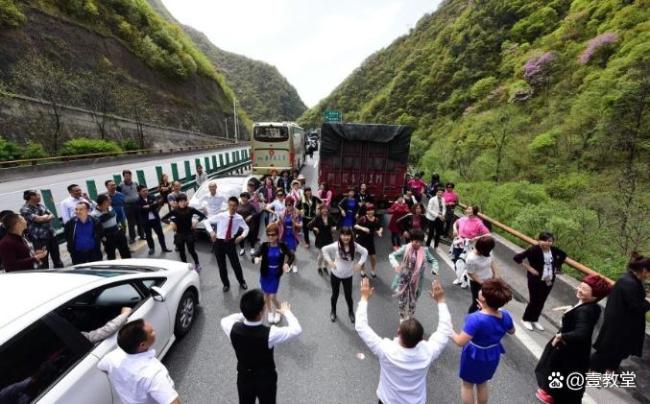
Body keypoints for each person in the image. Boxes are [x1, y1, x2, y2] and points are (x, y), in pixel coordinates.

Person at [355, 278, 452, 404]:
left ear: (398, 332)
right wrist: (441, 301)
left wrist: (364, 298)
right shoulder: (428, 352)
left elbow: (361, 326)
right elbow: (445, 329)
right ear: (421, 339)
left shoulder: (386, 350)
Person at [535, 275, 611, 404]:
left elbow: (582, 332)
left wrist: (561, 336)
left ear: (595, 295)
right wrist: (571, 310)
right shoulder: (592, 306)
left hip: (568, 348)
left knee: (556, 370)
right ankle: (552, 393)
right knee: (565, 375)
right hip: (577, 350)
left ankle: (551, 395)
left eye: (584, 289)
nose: (579, 289)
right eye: (580, 286)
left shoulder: (585, 311)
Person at [221, 290, 302, 404]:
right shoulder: (270, 334)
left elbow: (224, 320)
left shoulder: (232, 328)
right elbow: (297, 330)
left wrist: (244, 314)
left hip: (244, 378)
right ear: (260, 313)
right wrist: (287, 312)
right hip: (265, 379)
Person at [451, 278, 515, 404]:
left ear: (483, 299)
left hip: (474, 354)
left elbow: (459, 341)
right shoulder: (506, 314)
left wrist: (449, 330)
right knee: (482, 383)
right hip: (492, 354)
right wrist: (484, 310)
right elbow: (512, 331)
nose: (479, 291)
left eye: (482, 290)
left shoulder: (475, 318)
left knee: (467, 385)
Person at [591, 252, 650, 372]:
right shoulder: (629, 282)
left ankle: (607, 372)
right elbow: (636, 307)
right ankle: (591, 372)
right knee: (607, 351)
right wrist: (648, 302)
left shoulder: (630, 279)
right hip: (619, 324)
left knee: (617, 352)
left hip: (622, 323)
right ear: (644, 270)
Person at [98, 320, 180, 404]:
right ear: (142, 345)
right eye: (152, 332)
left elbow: (101, 366)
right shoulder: (153, 374)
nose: (154, 331)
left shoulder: (112, 357)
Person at [513, 231, 567, 331]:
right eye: (544, 240)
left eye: (550, 241)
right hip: (535, 279)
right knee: (534, 300)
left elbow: (563, 255)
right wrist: (529, 268)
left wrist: (557, 266)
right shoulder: (534, 250)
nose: (547, 243)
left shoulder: (553, 250)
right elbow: (517, 258)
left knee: (541, 301)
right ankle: (525, 319)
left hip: (549, 279)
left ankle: (534, 319)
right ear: (539, 241)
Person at [390, 229, 438, 321]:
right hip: (404, 278)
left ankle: (410, 317)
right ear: (411, 240)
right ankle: (402, 317)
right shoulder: (405, 248)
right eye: (416, 241)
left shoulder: (425, 251)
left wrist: (434, 269)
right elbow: (392, 256)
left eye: (420, 242)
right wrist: (396, 265)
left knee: (413, 301)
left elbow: (434, 260)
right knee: (402, 301)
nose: (418, 244)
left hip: (416, 281)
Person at [322, 227, 368, 323]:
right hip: (335, 274)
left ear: (351, 236)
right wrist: (330, 261)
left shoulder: (354, 246)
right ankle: (333, 311)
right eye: (343, 235)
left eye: (348, 235)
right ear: (340, 235)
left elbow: (365, 252)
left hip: (348, 276)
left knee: (348, 296)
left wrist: (359, 264)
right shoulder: (336, 245)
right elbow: (324, 249)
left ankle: (351, 312)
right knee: (335, 294)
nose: (345, 237)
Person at [252, 223, 295, 324]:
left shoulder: (282, 245)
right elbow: (254, 255)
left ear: (277, 235)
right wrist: (255, 258)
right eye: (268, 234)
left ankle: (279, 311)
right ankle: (270, 312)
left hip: (275, 274)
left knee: (272, 297)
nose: (270, 237)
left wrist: (287, 264)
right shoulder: (264, 246)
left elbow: (291, 256)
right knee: (266, 295)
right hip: (265, 274)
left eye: (273, 234)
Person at [211, 196, 249, 292]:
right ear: (228, 205)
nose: (232, 207)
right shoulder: (221, 215)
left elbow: (246, 228)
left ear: (237, 206)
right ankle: (226, 284)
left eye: (235, 205)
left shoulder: (239, 218)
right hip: (218, 243)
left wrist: (242, 236)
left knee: (236, 264)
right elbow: (207, 221)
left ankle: (242, 281)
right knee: (221, 265)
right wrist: (211, 232)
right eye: (230, 205)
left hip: (230, 243)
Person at [161, 193, 207, 269]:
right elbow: (163, 218)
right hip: (179, 234)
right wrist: (171, 222)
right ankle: (185, 267)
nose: (182, 203)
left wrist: (196, 221)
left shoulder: (191, 209)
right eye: (180, 201)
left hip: (189, 233)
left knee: (191, 251)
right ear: (177, 202)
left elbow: (202, 215)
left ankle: (197, 264)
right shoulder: (175, 211)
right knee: (182, 252)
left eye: (184, 201)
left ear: (186, 201)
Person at [20, 190, 63, 268]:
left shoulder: (40, 205)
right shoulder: (25, 209)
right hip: (39, 238)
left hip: (51, 234)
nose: (39, 197)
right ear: (31, 197)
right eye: (37, 195)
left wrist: (44, 217)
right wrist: (45, 217)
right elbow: (37, 219)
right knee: (43, 260)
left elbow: (52, 215)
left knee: (57, 257)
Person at [452, 205, 490, 288]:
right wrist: (455, 230)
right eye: (467, 208)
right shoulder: (463, 219)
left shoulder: (478, 223)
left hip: (468, 245)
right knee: (455, 260)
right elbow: (455, 223)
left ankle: (464, 279)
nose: (467, 210)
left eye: (469, 209)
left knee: (465, 263)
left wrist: (476, 238)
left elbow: (488, 234)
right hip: (458, 242)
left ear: (474, 211)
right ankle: (459, 277)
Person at [466, 236, 498, 313]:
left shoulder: (488, 251)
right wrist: (482, 283)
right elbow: (470, 273)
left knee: (488, 302)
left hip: (489, 279)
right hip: (477, 283)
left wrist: (496, 274)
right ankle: (470, 318)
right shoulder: (471, 258)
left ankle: (483, 316)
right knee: (477, 303)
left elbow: (492, 261)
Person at [93, 194, 131, 260]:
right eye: (109, 200)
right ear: (104, 202)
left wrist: (120, 228)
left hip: (118, 232)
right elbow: (97, 228)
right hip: (108, 237)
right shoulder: (94, 214)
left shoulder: (110, 207)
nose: (110, 201)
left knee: (125, 251)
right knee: (111, 255)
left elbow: (115, 218)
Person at [136, 186, 172, 256]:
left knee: (160, 234)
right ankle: (151, 248)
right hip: (145, 221)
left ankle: (164, 247)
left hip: (155, 219)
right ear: (139, 192)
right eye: (143, 191)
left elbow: (156, 205)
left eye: (146, 190)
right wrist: (150, 206)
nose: (146, 192)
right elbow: (139, 210)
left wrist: (148, 206)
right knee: (148, 235)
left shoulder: (152, 197)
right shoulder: (137, 201)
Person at [354, 203, 383, 278]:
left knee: (373, 257)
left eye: (372, 210)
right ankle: (362, 270)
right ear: (366, 211)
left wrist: (379, 231)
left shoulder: (376, 219)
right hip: (362, 239)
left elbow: (380, 227)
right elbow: (356, 225)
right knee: (363, 255)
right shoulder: (363, 218)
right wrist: (362, 228)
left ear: (374, 211)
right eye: (368, 210)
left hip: (370, 240)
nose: (370, 212)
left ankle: (373, 270)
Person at [309, 204, 337, 275]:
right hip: (321, 238)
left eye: (326, 209)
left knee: (328, 254)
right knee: (321, 255)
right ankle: (319, 267)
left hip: (329, 238)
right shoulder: (317, 218)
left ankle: (325, 266)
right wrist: (315, 228)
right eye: (323, 209)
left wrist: (334, 228)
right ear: (320, 210)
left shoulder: (330, 217)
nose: (325, 210)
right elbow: (309, 225)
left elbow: (336, 224)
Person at [119, 170, 145, 244]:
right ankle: (132, 238)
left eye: (129, 175)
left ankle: (142, 235)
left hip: (137, 204)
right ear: (123, 176)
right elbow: (118, 195)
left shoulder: (135, 183)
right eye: (126, 176)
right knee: (131, 223)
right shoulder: (121, 185)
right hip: (128, 206)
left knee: (140, 220)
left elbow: (138, 192)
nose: (128, 177)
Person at [276, 197, 301, 272]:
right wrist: (276, 223)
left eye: (290, 205)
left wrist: (295, 224)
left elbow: (301, 224)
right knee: (286, 252)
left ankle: (294, 265)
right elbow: (279, 222)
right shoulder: (282, 213)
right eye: (286, 205)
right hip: (284, 235)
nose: (288, 206)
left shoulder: (297, 213)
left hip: (292, 234)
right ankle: (288, 264)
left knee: (292, 252)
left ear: (293, 204)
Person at [237, 192, 258, 257]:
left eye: (246, 197)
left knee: (251, 235)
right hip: (240, 223)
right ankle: (242, 249)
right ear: (241, 197)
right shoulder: (238, 204)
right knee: (240, 235)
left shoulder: (251, 205)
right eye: (243, 197)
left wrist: (251, 216)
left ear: (248, 198)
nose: (244, 198)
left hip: (249, 223)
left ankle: (252, 248)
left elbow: (256, 213)